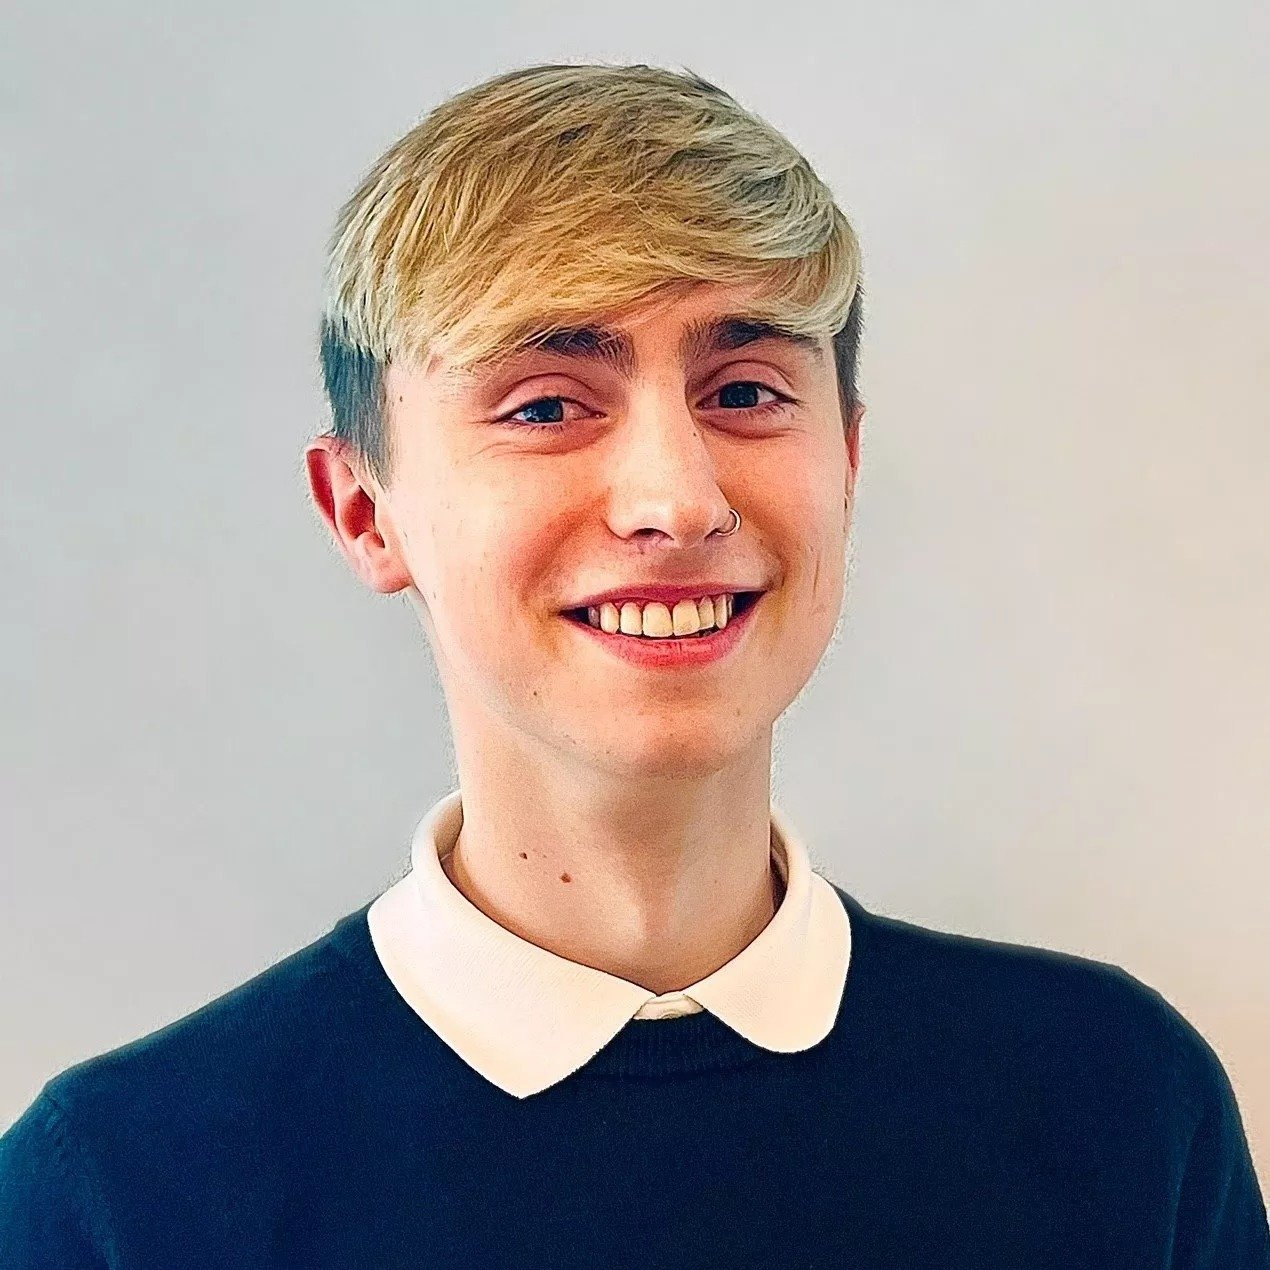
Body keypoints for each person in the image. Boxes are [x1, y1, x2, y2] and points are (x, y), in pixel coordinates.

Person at [2, 61, 1266, 1269]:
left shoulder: (1120, 1106)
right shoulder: (120, 1195)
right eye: (547, 406)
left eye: (746, 391)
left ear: (845, 462)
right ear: (364, 512)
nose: (678, 498)